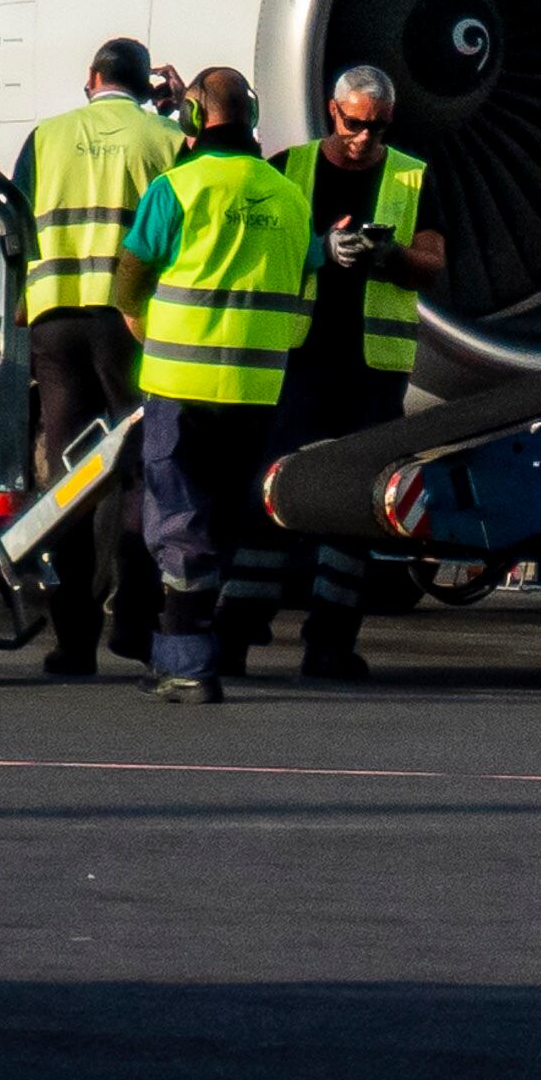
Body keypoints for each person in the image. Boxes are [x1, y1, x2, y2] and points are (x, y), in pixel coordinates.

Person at [114, 67, 314, 706]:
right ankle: (182, 656)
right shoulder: (287, 196)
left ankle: (189, 664)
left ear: (195, 122)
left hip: (180, 382)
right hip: (256, 389)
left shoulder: (178, 188)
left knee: (177, 522)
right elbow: (308, 275)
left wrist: (137, 316)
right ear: (252, 120)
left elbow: (130, 272)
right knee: (224, 520)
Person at [259, 66, 443, 683]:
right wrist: (319, 251)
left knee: (354, 504)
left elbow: (433, 264)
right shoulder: (289, 167)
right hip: (301, 360)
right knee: (271, 492)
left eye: (378, 126)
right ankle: (237, 628)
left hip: (372, 371)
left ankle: (330, 642)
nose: (364, 137)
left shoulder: (411, 175)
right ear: (332, 111)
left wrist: (390, 256)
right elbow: (260, 255)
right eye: (354, 123)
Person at [10, 38, 177, 677]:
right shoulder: (161, 139)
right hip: (129, 322)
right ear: (143, 84)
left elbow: (16, 227)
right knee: (139, 468)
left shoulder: (47, 137)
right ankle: (131, 613)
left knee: (68, 477)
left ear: (91, 79)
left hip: (54, 317)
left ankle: (70, 641)